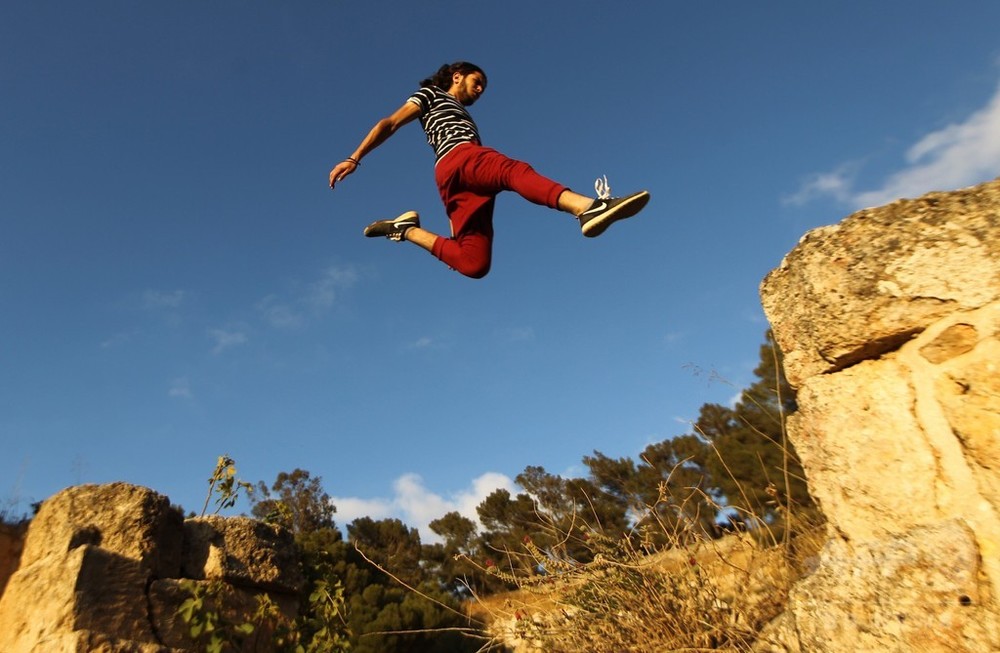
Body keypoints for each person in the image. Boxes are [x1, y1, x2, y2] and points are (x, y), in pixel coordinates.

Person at [328, 61, 650, 279]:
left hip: (455, 181)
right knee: (511, 171)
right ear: (457, 75)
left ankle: (405, 229)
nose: (480, 90)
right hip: (459, 157)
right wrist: (355, 157)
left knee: (474, 263)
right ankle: (588, 208)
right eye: (477, 82)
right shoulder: (431, 94)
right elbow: (391, 123)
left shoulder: (462, 113)